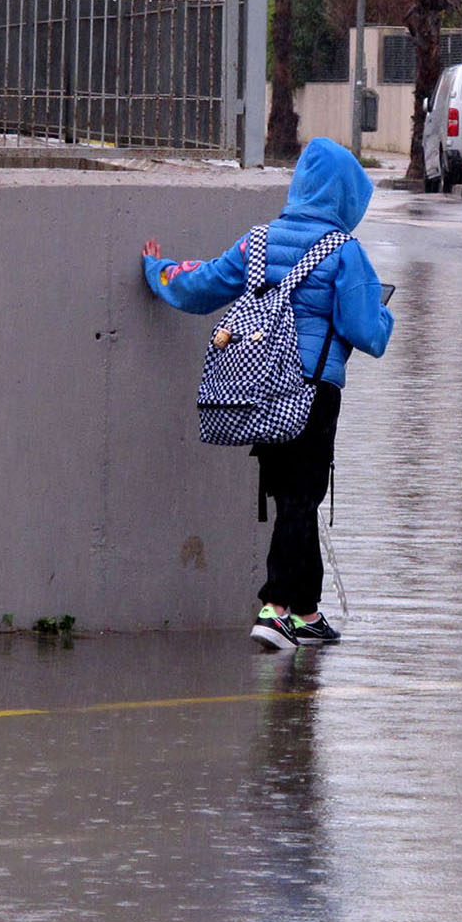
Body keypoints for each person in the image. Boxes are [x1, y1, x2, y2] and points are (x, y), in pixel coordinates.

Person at [142, 137, 394, 651]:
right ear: (345, 197)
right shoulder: (345, 253)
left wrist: (156, 269)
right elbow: (368, 333)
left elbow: (199, 285)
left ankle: (306, 611)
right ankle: (276, 608)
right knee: (302, 499)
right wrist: (383, 311)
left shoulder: (257, 242)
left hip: (259, 387)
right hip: (312, 388)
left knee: (293, 496)